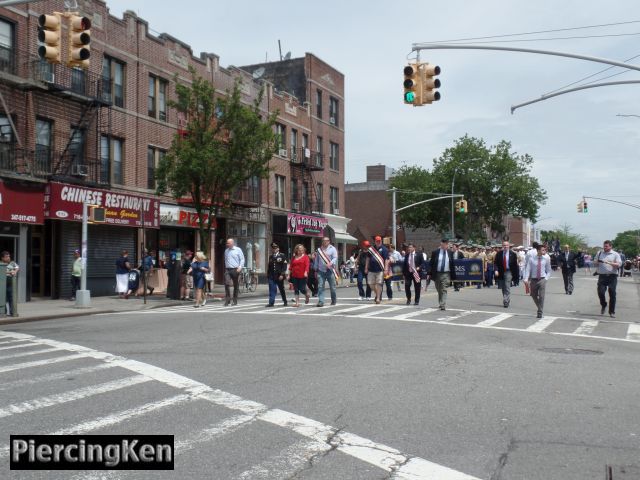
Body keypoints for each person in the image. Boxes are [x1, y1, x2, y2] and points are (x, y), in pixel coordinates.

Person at [594, 240, 622, 318]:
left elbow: (619, 264)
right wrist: (598, 262)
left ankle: (612, 312)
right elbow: (595, 263)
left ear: (610, 246)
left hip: (612, 276)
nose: (605, 247)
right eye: (604, 246)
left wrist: (609, 263)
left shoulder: (615, 254)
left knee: (612, 293)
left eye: (606, 246)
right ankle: (604, 304)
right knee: (600, 292)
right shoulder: (599, 253)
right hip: (602, 276)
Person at [523, 244, 552, 318]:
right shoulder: (531, 259)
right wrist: (526, 279)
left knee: (542, 296)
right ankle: (540, 307)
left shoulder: (546, 259)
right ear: (538, 250)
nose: (544, 251)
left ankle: (540, 312)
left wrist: (546, 279)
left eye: (545, 250)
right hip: (533, 280)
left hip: (542, 279)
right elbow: (528, 269)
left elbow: (549, 270)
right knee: (533, 295)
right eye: (543, 250)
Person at [428, 238, 457, 311]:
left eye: (448, 244)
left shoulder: (450, 252)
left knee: (444, 289)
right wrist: (429, 273)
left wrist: (454, 275)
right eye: (446, 244)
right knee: (439, 289)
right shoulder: (435, 252)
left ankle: (442, 304)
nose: (447, 245)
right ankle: (441, 302)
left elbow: (452, 264)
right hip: (437, 273)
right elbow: (431, 264)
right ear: (442, 244)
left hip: (446, 273)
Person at [494, 240, 520, 308]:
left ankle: (506, 301)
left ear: (509, 246)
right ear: (502, 246)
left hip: (509, 272)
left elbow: (515, 266)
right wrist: (496, 270)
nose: (505, 247)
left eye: (506, 245)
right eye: (504, 245)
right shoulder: (499, 254)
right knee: (503, 287)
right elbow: (495, 263)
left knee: (507, 286)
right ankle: (506, 299)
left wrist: (515, 275)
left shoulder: (513, 254)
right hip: (501, 271)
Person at [313, 236, 338, 307]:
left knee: (332, 287)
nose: (324, 242)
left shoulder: (332, 249)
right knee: (320, 286)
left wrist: (331, 263)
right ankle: (321, 301)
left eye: (326, 241)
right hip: (321, 271)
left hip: (330, 270)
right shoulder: (319, 250)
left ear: (329, 241)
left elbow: (335, 258)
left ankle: (333, 300)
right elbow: (317, 260)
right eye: (323, 241)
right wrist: (315, 269)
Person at [365, 235, 389, 304]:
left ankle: (378, 298)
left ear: (381, 241)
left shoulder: (384, 249)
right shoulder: (371, 249)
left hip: (380, 270)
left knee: (379, 283)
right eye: (377, 241)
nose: (378, 242)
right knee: (370, 283)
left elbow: (386, 260)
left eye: (379, 241)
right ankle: (377, 294)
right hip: (371, 269)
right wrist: (366, 267)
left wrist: (386, 269)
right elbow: (368, 258)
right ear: (375, 241)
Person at [224, 238, 245, 306]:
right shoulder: (226, 251)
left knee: (235, 285)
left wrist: (240, 267)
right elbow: (226, 260)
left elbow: (242, 259)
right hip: (228, 269)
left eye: (229, 243)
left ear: (232, 243)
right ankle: (228, 299)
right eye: (227, 243)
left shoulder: (238, 250)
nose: (227, 244)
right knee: (227, 283)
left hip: (235, 269)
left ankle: (235, 300)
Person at [266, 242, 288, 307]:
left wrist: (282, 274)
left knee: (281, 289)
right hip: (272, 276)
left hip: (279, 276)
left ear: (278, 249)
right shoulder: (271, 256)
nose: (274, 249)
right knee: (272, 289)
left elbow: (284, 266)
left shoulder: (282, 255)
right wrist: (268, 275)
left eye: (275, 248)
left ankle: (285, 301)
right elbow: (269, 267)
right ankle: (271, 302)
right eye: (273, 248)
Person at [2, 251, 19, 315]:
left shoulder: (12, 263)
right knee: (3, 298)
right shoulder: (1, 264)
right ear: (2, 258)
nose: (8, 258)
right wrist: (9, 272)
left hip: (10, 282)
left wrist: (15, 271)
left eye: (9, 256)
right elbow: (1, 271)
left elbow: (17, 268)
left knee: (11, 297)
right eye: (6, 257)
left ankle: (12, 312)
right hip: (3, 283)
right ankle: (4, 312)